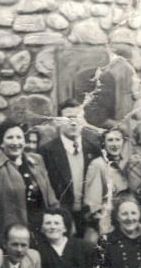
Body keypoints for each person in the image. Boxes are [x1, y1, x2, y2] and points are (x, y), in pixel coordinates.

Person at [0, 120, 58, 268]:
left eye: (19, 137)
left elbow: (51, 199)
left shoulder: (36, 160)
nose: (16, 142)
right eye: (10, 138)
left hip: (42, 233)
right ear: (1, 143)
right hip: (13, 237)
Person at [39, 99, 101, 237]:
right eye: (68, 118)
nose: (73, 123)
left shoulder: (94, 148)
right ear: (57, 122)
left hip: (89, 221)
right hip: (60, 221)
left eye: (78, 118)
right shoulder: (46, 152)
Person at [84, 127, 130, 238]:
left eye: (118, 140)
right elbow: (93, 205)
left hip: (126, 220)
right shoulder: (98, 165)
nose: (114, 144)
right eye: (110, 140)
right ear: (103, 144)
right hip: (108, 223)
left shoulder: (126, 162)